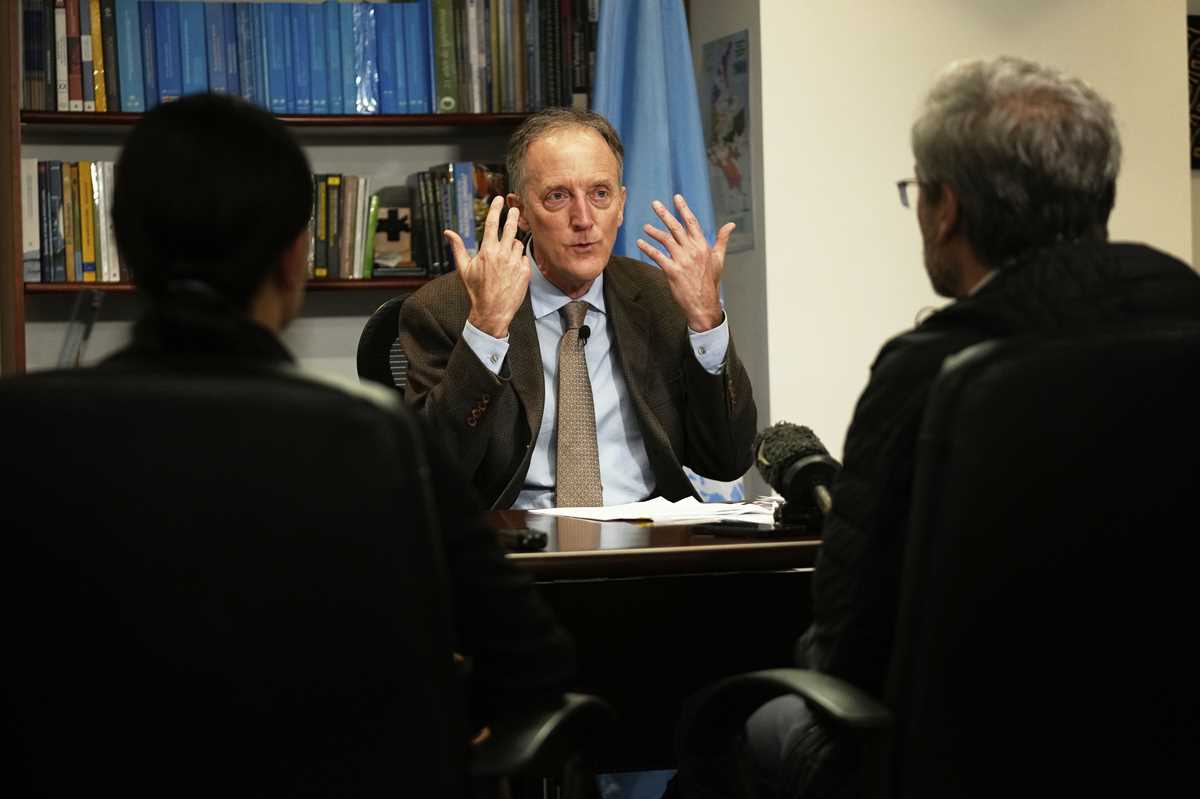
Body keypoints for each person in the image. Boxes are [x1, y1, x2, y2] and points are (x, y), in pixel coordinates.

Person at [1, 93, 574, 796]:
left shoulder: (18, 432)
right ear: (294, 259)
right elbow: (532, 664)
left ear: (124, 246)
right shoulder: (375, 438)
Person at [670, 55, 1200, 798]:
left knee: (724, 731)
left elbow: (847, 646)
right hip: (1163, 744)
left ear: (945, 208)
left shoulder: (931, 369)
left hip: (962, 759)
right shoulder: (1184, 312)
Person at [400, 107, 758, 509]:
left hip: (648, 533)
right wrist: (486, 329)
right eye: (558, 196)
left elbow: (727, 460)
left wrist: (707, 321)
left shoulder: (663, 297)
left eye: (600, 194)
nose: (584, 219)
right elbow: (434, 473)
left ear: (621, 205)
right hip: (517, 536)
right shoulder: (445, 309)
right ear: (521, 213)